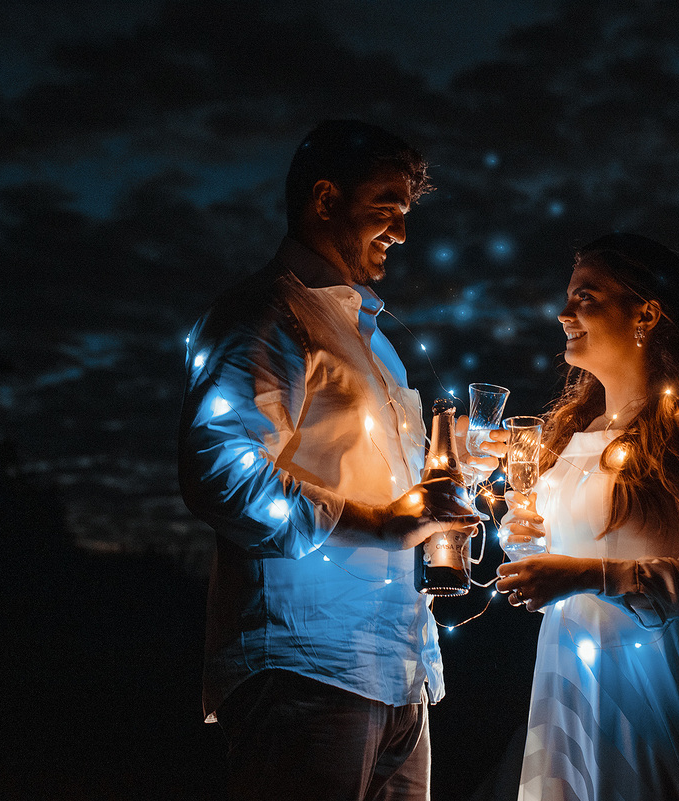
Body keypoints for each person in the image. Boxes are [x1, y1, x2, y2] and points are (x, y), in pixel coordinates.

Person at [178, 120, 482, 801]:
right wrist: (378, 524)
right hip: (306, 668)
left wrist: (452, 466)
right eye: (387, 211)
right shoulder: (264, 314)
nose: (401, 234)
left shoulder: (373, 342)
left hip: (401, 672)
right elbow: (219, 471)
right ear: (324, 200)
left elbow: (392, 485)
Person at [495, 233, 679, 801]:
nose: (563, 313)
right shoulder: (565, 436)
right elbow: (555, 542)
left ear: (646, 313)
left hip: (656, 679)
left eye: (586, 298)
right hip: (568, 671)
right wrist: (518, 540)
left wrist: (588, 575)